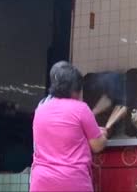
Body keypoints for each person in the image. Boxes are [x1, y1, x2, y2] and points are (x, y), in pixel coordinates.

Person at [30, 63, 107, 192]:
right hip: (72, 182)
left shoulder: (40, 110)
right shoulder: (81, 109)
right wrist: (103, 135)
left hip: (41, 182)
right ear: (76, 89)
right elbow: (97, 146)